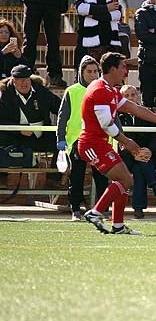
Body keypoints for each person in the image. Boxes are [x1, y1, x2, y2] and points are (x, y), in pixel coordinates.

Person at [79, 51, 156, 236]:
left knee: (124, 180)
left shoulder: (109, 89)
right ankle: (96, 212)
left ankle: (118, 226)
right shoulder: (100, 89)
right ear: (112, 69)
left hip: (99, 143)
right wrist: (128, 142)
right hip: (92, 144)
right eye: (122, 67)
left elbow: (134, 108)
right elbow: (106, 124)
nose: (126, 71)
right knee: (125, 179)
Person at [56, 56, 110, 220]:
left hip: (99, 140)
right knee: (76, 177)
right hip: (77, 141)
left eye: (95, 71)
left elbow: (113, 116)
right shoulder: (71, 91)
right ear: (81, 72)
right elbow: (62, 117)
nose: (93, 74)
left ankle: (102, 209)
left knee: (101, 176)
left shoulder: (103, 90)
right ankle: (75, 210)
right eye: (89, 71)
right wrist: (60, 137)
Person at [117, 84, 156, 219]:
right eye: (126, 96)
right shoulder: (116, 115)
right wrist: (134, 152)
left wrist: (150, 150)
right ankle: (155, 185)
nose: (130, 98)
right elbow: (116, 140)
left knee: (140, 168)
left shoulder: (147, 113)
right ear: (121, 98)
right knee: (142, 165)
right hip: (125, 157)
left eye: (133, 95)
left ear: (137, 96)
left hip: (146, 156)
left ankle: (138, 208)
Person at [73, 0, 125, 71]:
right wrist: (106, 8)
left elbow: (117, 15)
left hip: (110, 43)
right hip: (87, 44)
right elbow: (82, 9)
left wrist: (93, 14)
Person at [0, 63, 60, 152]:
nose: (24, 83)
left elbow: (59, 107)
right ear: (13, 81)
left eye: (27, 79)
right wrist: (18, 129)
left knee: (62, 140)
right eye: (20, 80)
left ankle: (55, 166)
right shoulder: (4, 95)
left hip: (43, 136)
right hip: (15, 137)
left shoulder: (41, 91)